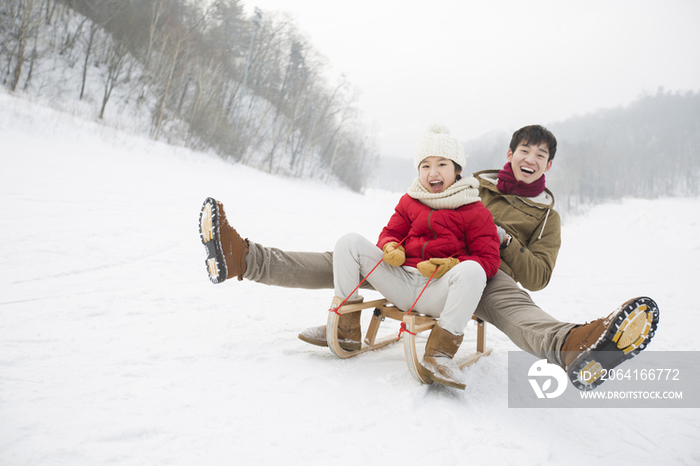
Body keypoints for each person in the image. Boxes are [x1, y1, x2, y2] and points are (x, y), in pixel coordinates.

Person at [198, 124, 659, 391]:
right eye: (524, 150)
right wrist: (395, 246)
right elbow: (413, 209)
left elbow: (538, 276)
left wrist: (503, 240)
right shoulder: (469, 182)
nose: (530, 159)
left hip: (485, 272)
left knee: (520, 310)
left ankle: (574, 346)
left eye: (541, 155)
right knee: (343, 256)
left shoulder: (544, 219)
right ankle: (244, 259)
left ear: (548, 166)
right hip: (423, 264)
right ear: (510, 154)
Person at [312, 124, 500, 389]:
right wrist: (391, 248)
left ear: (458, 169)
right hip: (400, 283)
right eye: (425, 166)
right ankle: (346, 329)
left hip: (438, 291)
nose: (433, 172)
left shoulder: (475, 210)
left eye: (442, 164)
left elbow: (489, 259)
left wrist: (453, 264)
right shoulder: (410, 201)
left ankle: (439, 354)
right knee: (349, 242)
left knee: (474, 271)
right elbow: (389, 233)